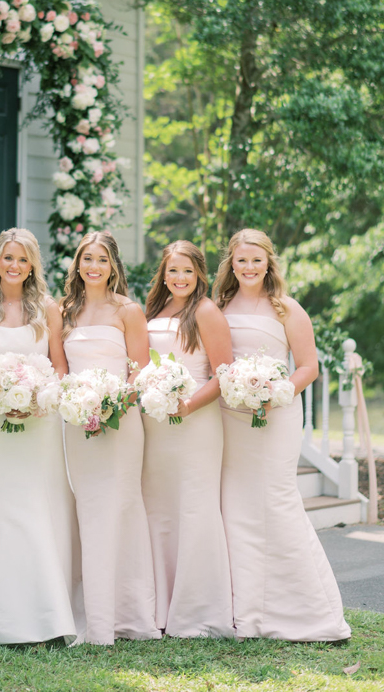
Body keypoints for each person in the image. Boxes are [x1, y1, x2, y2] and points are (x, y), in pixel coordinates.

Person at [213, 228, 351, 641]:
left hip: (276, 414)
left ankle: (311, 612)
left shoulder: (286, 308)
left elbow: (309, 366)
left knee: (276, 501)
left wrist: (275, 394)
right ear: (231, 265)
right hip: (229, 416)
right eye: (241, 260)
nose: (249, 267)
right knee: (234, 504)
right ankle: (246, 612)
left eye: (257, 260)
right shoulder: (217, 306)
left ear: (269, 263)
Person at [0, 228, 83, 644]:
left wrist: (36, 397)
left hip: (40, 419)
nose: (14, 266)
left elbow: (60, 365)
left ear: (32, 265)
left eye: (22, 259)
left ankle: (45, 610)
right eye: (7, 258)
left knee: (35, 501)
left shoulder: (48, 309)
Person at [60, 231, 159, 645]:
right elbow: (58, 366)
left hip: (120, 422)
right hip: (75, 423)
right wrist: (80, 404)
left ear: (113, 265)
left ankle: (126, 614)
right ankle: (90, 613)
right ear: (78, 264)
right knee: (86, 509)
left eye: (101, 259)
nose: (93, 266)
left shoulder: (128, 311)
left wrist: (113, 404)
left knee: (120, 505)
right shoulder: (64, 310)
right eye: (87, 259)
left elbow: (142, 368)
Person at [143, 240, 234, 637]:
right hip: (155, 425)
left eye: (187, 271)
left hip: (195, 423)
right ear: (162, 274)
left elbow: (223, 374)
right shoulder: (153, 311)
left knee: (194, 508)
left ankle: (197, 609)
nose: (179, 278)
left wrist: (188, 405)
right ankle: (161, 605)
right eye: (172, 270)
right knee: (160, 510)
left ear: (199, 274)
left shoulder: (206, 311)